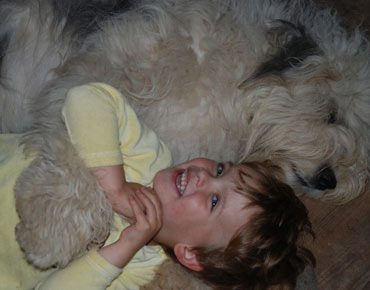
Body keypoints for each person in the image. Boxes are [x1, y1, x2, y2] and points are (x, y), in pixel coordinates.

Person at [0, 83, 314, 290]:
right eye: (221, 168)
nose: (204, 175)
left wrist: (123, 247)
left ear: (190, 253)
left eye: (214, 201)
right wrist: (115, 186)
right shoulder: (149, 156)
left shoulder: (139, 266)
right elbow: (86, 98)